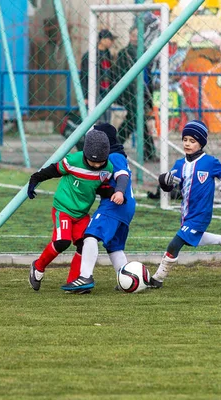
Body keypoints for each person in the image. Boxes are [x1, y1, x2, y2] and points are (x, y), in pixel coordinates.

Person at [148, 120, 221, 288]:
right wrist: (163, 180)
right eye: (185, 139)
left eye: (192, 141)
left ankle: (157, 278)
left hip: (201, 214)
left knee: (176, 243)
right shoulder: (179, 164)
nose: (187, 144)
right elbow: (168, 186)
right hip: (186, 213)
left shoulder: (210, 162)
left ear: (201, 143)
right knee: (190, 239)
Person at [27, 130, 113, 291]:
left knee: (85, 244)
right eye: (91, 161)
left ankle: (75, 281)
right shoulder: (73, 160)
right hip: (63, 209)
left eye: (100, 162)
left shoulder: (108, 168)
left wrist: (111, 193)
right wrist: (35, 178)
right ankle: (38, 266)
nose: (95, 165)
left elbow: (99, 186)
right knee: (62, 242)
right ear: (85, 153)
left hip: (82, 214)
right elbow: (54, 170)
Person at [61, 123, 137, 294]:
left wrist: (118, 191)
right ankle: (127, 279)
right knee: (114, 246)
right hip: (126, 207)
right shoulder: (118, 156)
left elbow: (122, 177)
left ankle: (85, 276)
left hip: (114, 205)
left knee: (90, 235)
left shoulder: (115, 157)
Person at [115, 26, 158, 161]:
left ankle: (113, 147)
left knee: (134, 120)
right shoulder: (124, 53)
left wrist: (149, 92)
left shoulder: (145, 52)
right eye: (133, 35)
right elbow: (119, 75)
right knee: (136, 119)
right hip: (130, 93)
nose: (135, 38)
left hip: (144, 91)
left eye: (137, 35)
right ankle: (148, 152)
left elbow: (148, 74)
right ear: (129, 35)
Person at [80, 29, 117, 123]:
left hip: (107, 90)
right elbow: (84, 76)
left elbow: (111, 73)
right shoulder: (90, 55)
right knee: (97, 119)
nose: (111, 42)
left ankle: (105, 137)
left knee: (107, 119)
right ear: (102, 40)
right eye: (109, 39)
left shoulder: (108, 54)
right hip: (95, 91)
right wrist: (85, 95)